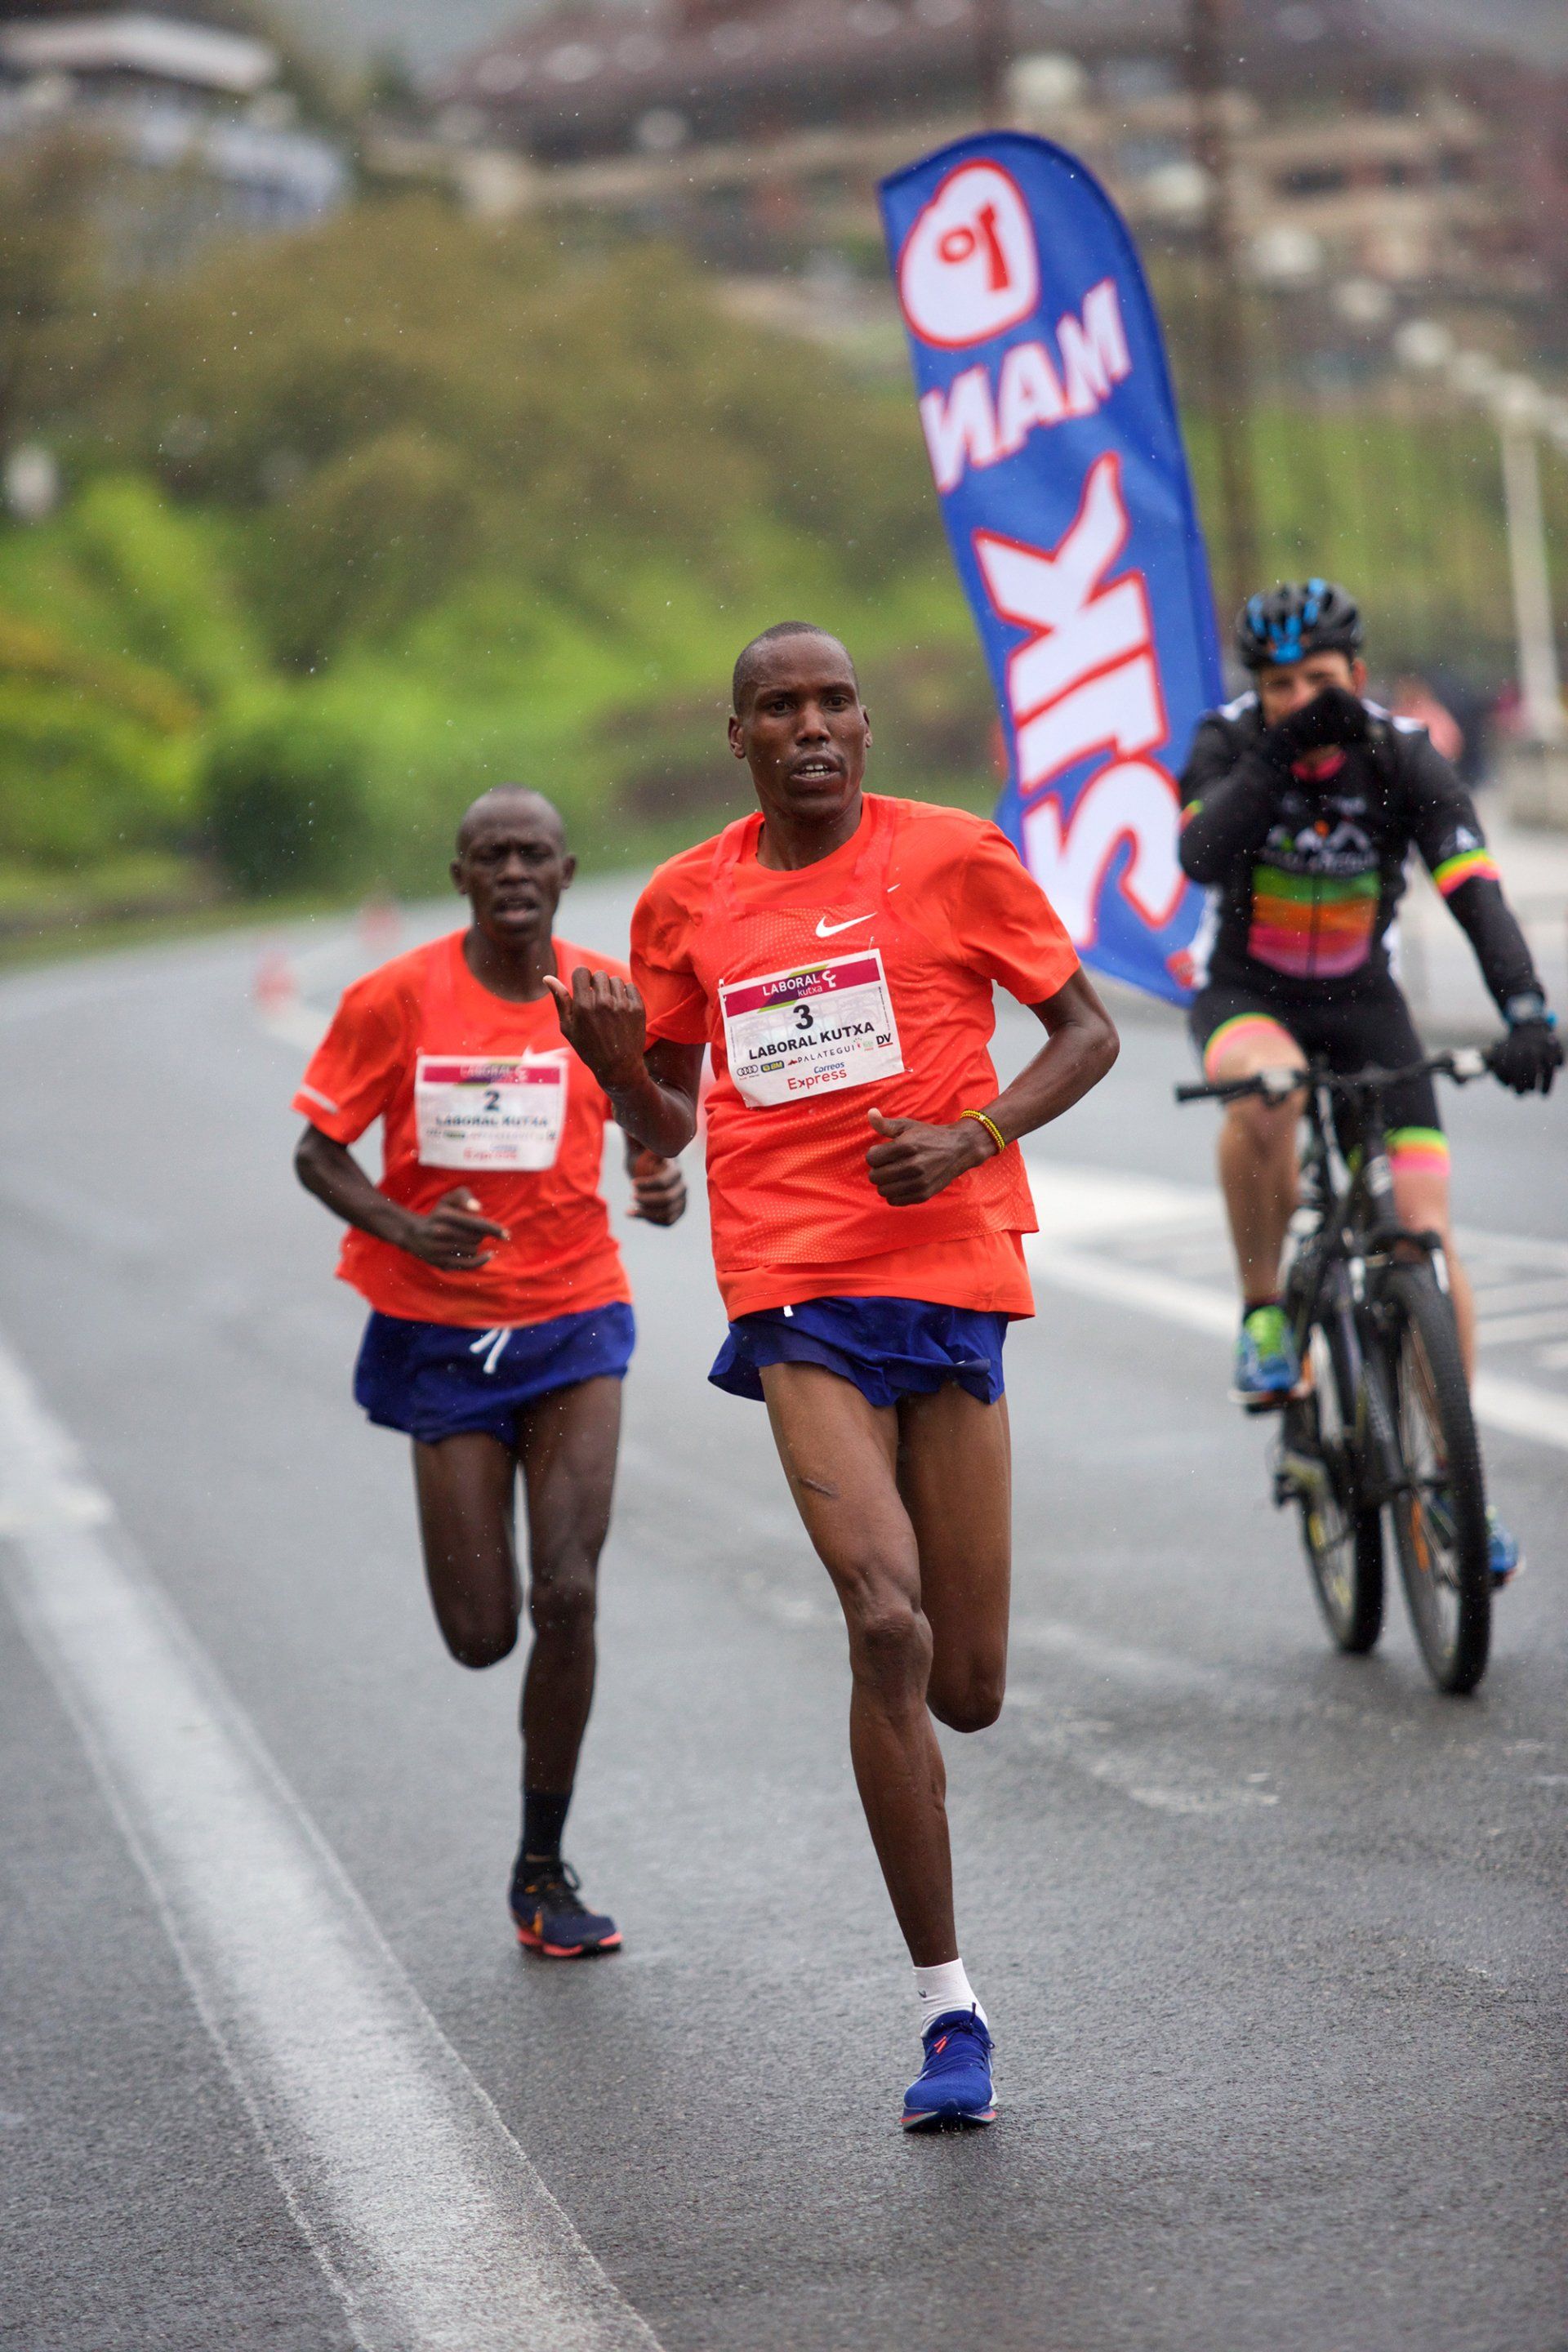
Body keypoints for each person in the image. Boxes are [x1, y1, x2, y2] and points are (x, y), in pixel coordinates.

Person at [545, 623, 1118, 2127]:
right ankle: (950, 2016)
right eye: (781, 707)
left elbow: (1089, 1032)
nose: (813, 725)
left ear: (865, 725)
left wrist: (975, 1136)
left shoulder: (956, 858)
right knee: (884, 1622)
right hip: (796, 1288)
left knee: (973, 1686)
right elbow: (666, 1120)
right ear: (737, 736)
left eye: (836, 702)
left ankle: (947, 1943)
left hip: (954, 1279)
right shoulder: (688, 899)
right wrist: (616, 1071)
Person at [292, 786, 686, 1958]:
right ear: (461, 877)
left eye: (534, 855)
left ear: (565, 874)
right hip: (438, 1328)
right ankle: (535, 1842)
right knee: (481, 1634)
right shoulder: (396, 998)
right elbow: (318, 1149)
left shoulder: (603, 993)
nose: (513, 871)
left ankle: (541, 1866)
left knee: (567, 1593)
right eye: (489, 856)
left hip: (574, 1320)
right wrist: (402, 1226)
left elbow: (655, 1123)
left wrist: (657, 1177)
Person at [1178, 580, 1561, 1584]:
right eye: (1276, 684)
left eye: (1317, 679)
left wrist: (1526, 1011)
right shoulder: (1227, 743)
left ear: (1356, 670)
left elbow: (1475, 893)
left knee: (1424, 1230)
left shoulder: (1403, 755)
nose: (1297, 696)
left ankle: (1453, 1485)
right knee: (1273, 1091)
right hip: (1247, 999)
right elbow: (1202, 855)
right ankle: (1266, 1311)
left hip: (1365, 1006)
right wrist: (1277, 756)